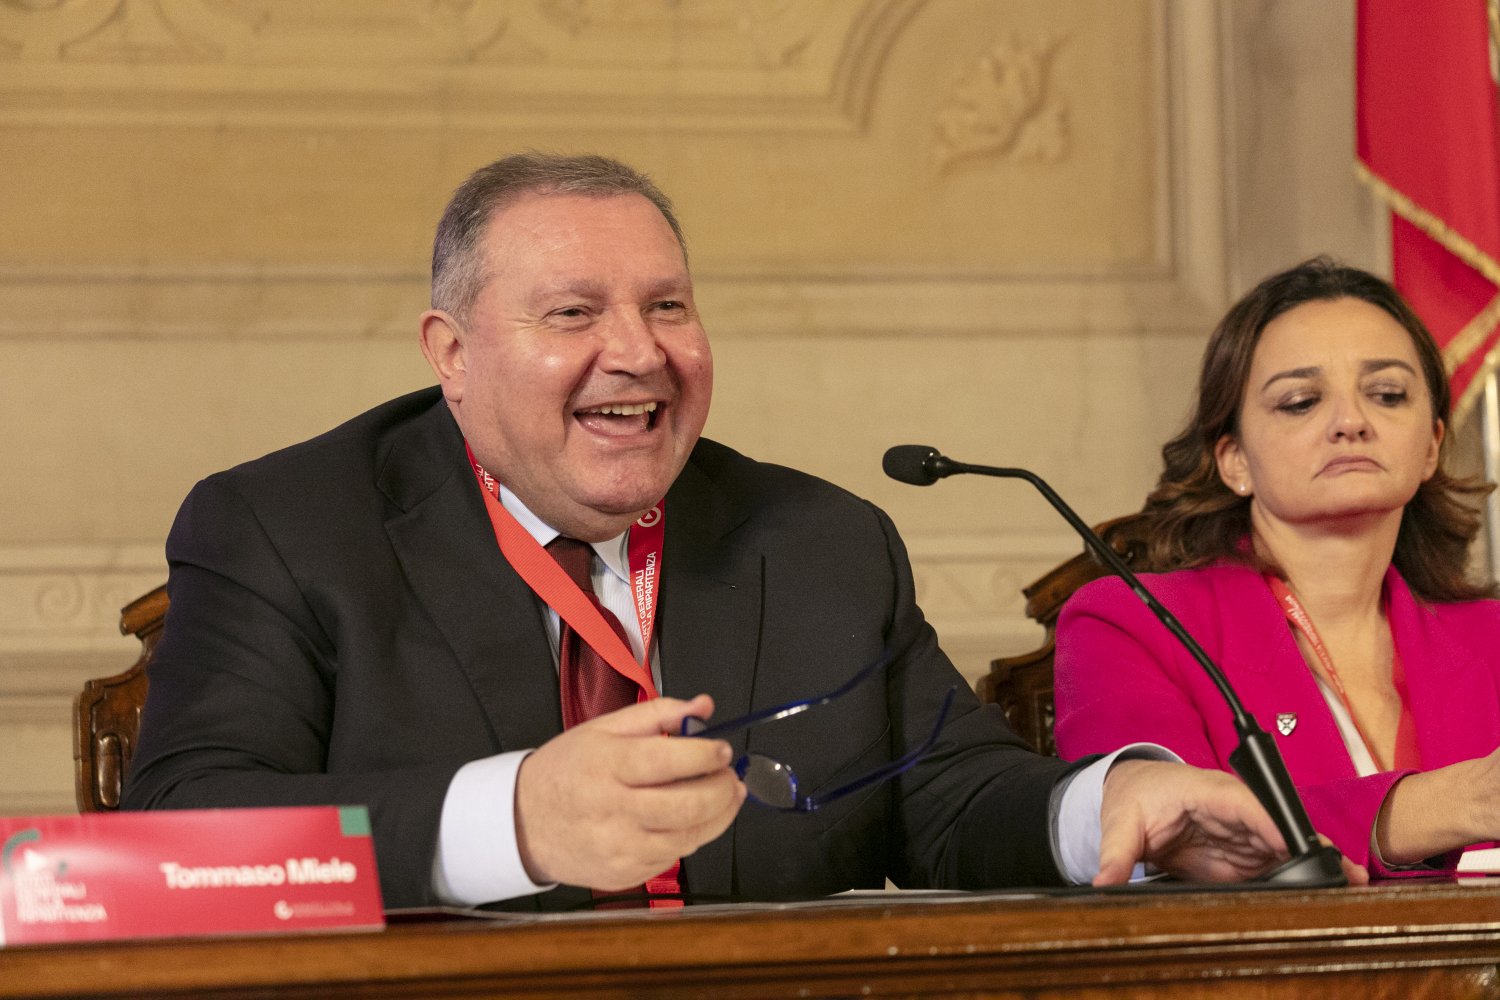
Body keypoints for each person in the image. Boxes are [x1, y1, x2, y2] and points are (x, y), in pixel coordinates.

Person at [123, 153, 1340, 911]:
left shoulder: (820, 541)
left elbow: (947, 793)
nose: (639, 352)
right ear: (452, 354)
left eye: (668, 305)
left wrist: (1116, 804)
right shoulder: (289, 529)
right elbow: (182, 833)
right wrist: (513, 819)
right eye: (573, 312)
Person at [1054, 256, 1500, 876]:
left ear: (1431, 445)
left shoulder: (1490, 634)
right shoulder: (1128, 623)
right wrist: (1445, 806)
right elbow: (1174, 839)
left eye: (1387, 395)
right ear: (1234, 460)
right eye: (1300, 402)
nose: (1351, 423)